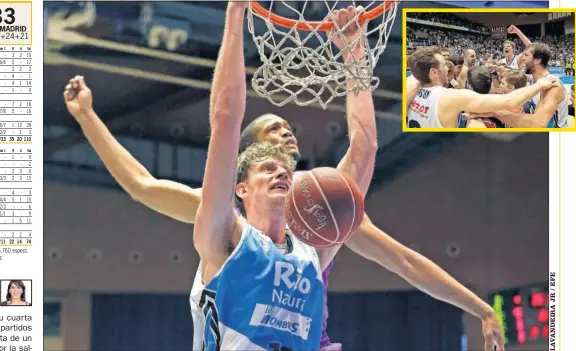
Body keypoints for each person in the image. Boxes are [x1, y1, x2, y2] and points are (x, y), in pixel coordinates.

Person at [64, 14, 507, 351]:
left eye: (289, 136)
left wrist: (354, 50)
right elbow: (147, 180)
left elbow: (403, 251)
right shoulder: (223, 224)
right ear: (242, 176)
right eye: (273, 137)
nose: (285, 143)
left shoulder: (323, 224)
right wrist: (87, 115)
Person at [190, 3, 376, 349]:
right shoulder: (224, 235)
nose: (280, 173)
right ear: (240, 189)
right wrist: (234, 17)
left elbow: (364, 154)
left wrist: (355, 54)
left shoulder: (312, 249)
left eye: (285, 171)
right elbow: (226, 122)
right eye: (267, 169)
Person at [406, 46, 559, 128]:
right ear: (433, 72)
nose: (447, 68)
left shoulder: (410, 85)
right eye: (443, 65)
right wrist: (539, 85)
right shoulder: (450, 97)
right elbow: (510, 101)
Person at [471, 44, 569, 128]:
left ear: (537, 60)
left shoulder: (552, 85)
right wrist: (497, 68)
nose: (522, 58)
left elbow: (538, 123)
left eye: (526, 55)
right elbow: (517, 75)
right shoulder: (534, 79)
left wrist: (495, 113)